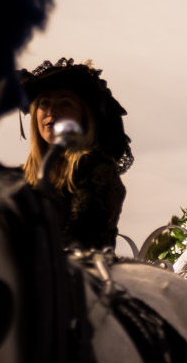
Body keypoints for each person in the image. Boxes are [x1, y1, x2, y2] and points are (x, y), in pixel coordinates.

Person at [17, 58, 131, 251]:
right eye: (44, 103)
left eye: (65, 104)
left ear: (84, 116)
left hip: (82, 275)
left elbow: (82, 234)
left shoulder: (94, 167)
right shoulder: (20, 177)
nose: (52, 111)